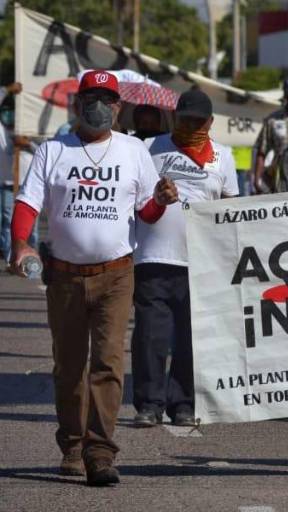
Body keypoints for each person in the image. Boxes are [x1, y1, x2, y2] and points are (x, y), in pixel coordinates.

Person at [8, 70, 178, 486]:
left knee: (109, 363)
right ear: (78, 105)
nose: (99, 106)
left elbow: (145, 212)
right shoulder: (54, 150)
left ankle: (100, 452)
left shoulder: (133, 150)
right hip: (64, 277)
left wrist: (158, 200)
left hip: (116, 275)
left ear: (119, 107)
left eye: (107, 99)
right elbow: (28, 203)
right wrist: (20, 245)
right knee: (69, 367)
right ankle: (71, 445)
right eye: (91, 98)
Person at [132, 89, 239, 428]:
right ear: (174, 118)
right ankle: (148, 404)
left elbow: (230, 208)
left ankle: (183, 404)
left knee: (192, 340)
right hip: (154, 258)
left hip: (201, 262)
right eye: (184, 119)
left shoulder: (223, 156)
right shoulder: (149, 149)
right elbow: (135, 199)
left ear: (210, 122)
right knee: (151, 336)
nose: (190, 125)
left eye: (197, 121)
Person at [1, 82, 39, 263]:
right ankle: (11, 258)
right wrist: (8, 90)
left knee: (34, 227)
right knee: (9, 222)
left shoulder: (37, 131)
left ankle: (33, 257)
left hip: (31, 185)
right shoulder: (4, 132)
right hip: (10, 183)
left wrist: (28, 144)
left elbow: (47, 150)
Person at [252, 75, 288, 193]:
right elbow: (262, 151)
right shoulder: (272, 120)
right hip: (280, 177)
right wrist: (257, 180)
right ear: (286, 94)